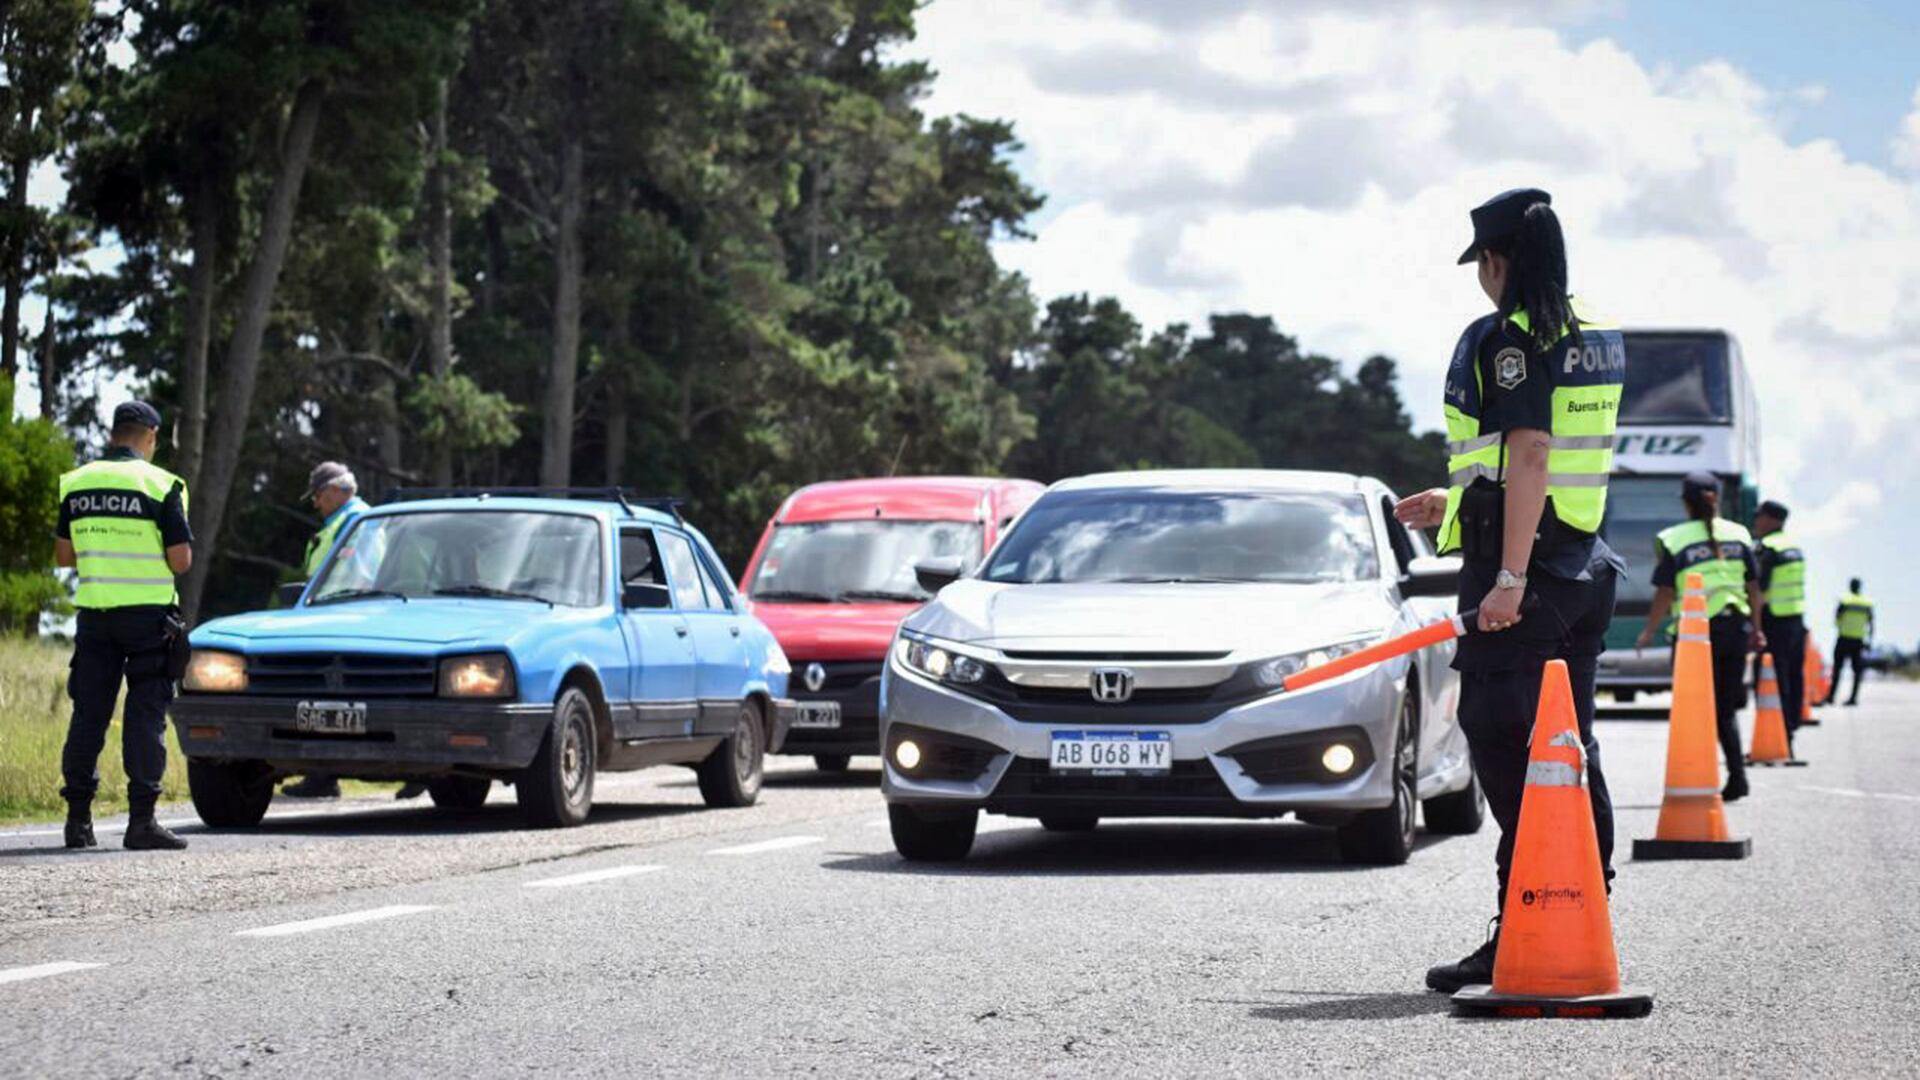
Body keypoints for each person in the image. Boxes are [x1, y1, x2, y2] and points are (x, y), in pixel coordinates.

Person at [1394, 188, 1625, 993]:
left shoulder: (1514, 338)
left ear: (1500, 262)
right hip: (1584, 566)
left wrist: (1507, 579)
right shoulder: (1594, 329)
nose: (1481, 282)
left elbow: (1530, 454)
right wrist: (1452, 501)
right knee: (1564, 742)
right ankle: (1580, 895)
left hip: (1528, 576)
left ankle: (1535, 913)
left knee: (1501, 734)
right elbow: (1549, 462)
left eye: (1483, 264)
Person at [52, 401, 193, 851]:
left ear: (115, 434)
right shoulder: (163, 484)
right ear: (150, 436)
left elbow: (63, 556)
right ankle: (141, 822)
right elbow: (181, 560)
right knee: (145, 715)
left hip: (95, 616)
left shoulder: (75, 483)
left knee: (88, 714)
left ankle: (78, 822)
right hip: (149, 619)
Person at [1635, 473, 1766, 801]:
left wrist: (1649, 631)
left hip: (1696, 638)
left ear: (1685, 502)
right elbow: (1753, 589)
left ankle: (1696, 776)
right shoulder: (1739, 534)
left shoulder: (1674, 538)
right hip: (1736, 629)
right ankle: (1737, 776)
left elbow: (1665, 592)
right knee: (1724, 709)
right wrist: (1758, 630)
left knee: (1692, 708)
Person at [1750, 500, 1808, 751]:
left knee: (1771, 680)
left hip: (1773, 622)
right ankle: (1791, 728)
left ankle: (1777, 734)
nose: (1756, 522)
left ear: (1772, 520)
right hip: (1796, 619)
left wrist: (1755, 627)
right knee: (1794, 677)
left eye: (1759, 517)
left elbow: (1759, 591)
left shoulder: (1768, 549)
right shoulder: (1794, 546)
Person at [1824, 578, 1874, 706]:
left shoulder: (1844, 600)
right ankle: (1853, 698)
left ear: (1850, 586)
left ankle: (1831, 696)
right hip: (1858, 640)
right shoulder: (1866, 603)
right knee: (1857, 671)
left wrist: (1840, 627)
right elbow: (1871, 623)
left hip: (1844, 637)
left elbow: (1836, 617)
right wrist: (1869, 640)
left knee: (1837, 669)